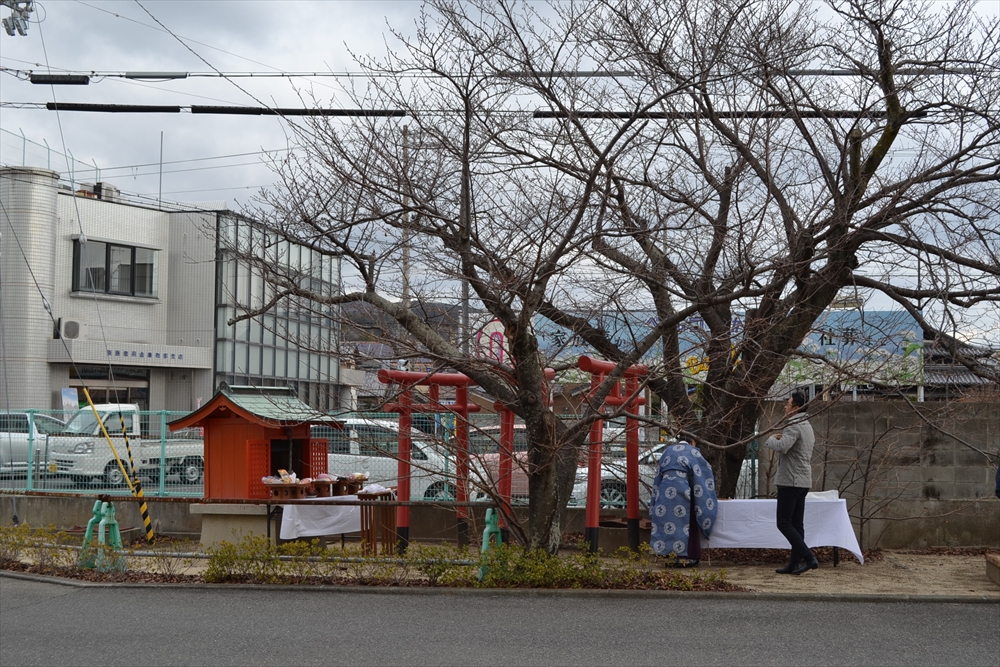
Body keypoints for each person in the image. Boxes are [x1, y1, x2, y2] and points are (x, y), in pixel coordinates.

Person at [764, 391, 818, 575]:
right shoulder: (807, 425)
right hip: (803, 481)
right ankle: (795, 563)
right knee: (797, 524)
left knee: (784, 523)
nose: (785, 407)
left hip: (791, 481)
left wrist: (771, 438)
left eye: (788, 404)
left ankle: (809, 558)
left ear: (795, 407)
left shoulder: (794, 425)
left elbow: (782, 447)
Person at [649, 439, 718, 567]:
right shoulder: (693, 452)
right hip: (684, 491)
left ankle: (670, 555)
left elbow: (658, 476)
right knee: (687, 523)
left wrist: (655, 500)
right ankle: (689, 556)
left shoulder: (667, 451)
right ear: (692, 441)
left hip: (664, 493)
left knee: (667, 523)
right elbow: (702, 475)